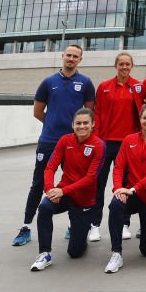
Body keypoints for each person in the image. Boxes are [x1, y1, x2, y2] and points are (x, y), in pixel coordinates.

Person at [14, 44, 95, 247]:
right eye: (68, 55)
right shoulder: (48, 82)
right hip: (49, 141)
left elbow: (89, 114)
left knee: (74, 183)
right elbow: (38, 112)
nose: (71, 58)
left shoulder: (85, 83)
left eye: (75, 56)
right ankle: (26, 227)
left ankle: (73, 225)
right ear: (62, 56)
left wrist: (75, 133)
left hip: (74, 145)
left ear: (80, 60)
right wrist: (53, 126)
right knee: (38, 183)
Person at [29, 107, 103, 271]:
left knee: (75, 252)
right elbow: (50, 168)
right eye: (78, 123)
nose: (81, 126)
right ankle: (44, 254)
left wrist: (64, 191)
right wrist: (50, 190)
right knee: (45, 206)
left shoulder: (99, 145)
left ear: (92, 125)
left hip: (83, 199)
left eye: (85, 123)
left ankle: (80, 235)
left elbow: (91, 178)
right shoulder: (64, 141)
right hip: (63, 193)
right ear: (72, 124)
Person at [104, 102, 146, 273]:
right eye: (145, 118)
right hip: (130, 194)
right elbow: (119, 166)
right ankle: (116, 253)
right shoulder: (129, 140)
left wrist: (134, 189)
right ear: (140, 119)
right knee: (115, 205)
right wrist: (118, 188)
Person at [90, 52, 141, 242]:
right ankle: (95, 224)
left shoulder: (137, 87)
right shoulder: (104, 87)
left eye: (128, 64)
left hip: (127, 144)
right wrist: (97, 140)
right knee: (99, 183)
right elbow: (98, 114)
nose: (124, 67)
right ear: (116, 65)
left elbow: (141, 114)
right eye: (121, 64)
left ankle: (124, 223)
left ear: (132, 66)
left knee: (125, 184)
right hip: (105, 142)